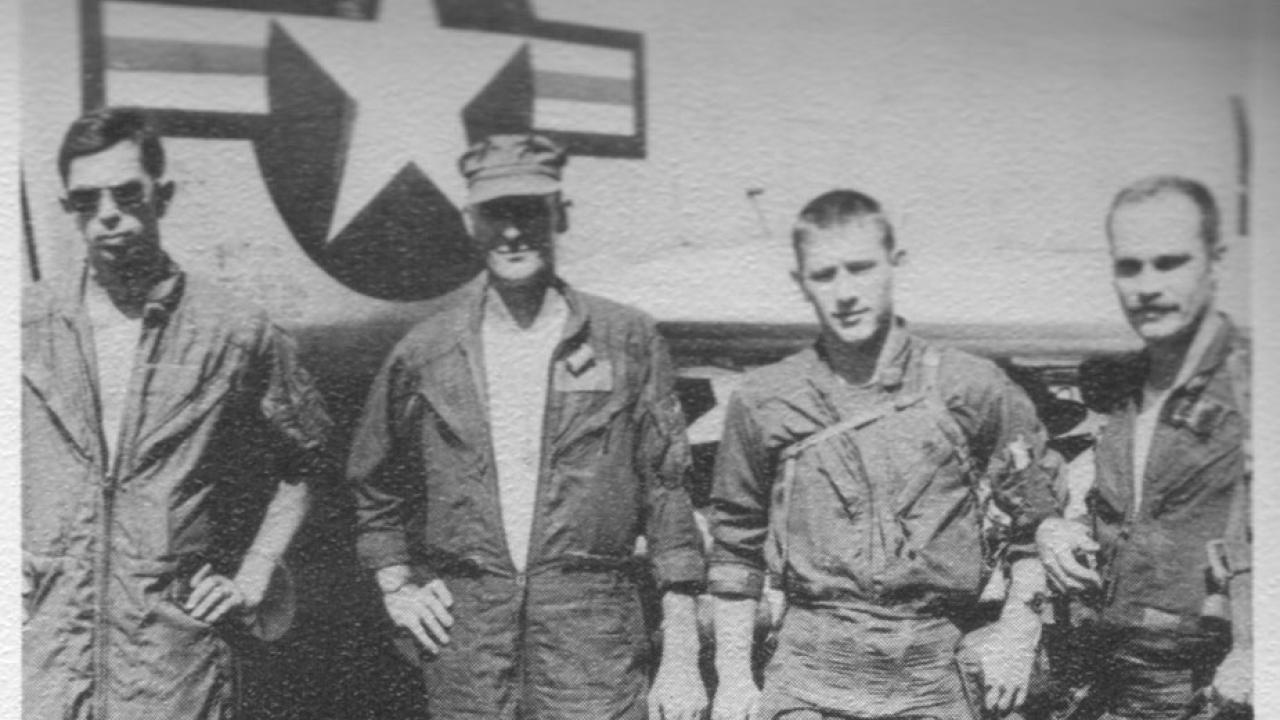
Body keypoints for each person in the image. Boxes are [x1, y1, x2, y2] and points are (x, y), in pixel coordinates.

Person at [348, 133, 707, 720]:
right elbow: (372, 480)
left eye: (527, 211)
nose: (511, 232)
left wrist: (682, 655)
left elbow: (668, 495)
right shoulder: (427, 353)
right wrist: (397, 584)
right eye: (495, 213)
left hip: (593, 638)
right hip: (468, 641)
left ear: (558, 214)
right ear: (471, 222)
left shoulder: (627, 341)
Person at [22, 107, 332, 719]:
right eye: (87, 199)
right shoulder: (26, 325)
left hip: (170, 653)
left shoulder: (232, 332)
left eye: (126, 193)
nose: (108, 213)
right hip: (47, 643)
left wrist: (255, 572)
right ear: (69, 209)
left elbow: (309, 462)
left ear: (160, 196)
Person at [708, 189, 1061, 720]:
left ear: (896, 265)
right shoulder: (765, 399)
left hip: (930, 673)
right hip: (810, 670)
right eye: (825, 275)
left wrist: (1019, 631)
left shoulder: (971, 387)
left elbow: (1034, 518)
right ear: (799, 282)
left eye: (861, 269)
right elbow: (735, 546)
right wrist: (734, 679)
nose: (845, 292)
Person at [1036, 176, 1251, 719]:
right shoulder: (1129, 393)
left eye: (1170, 262)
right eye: (1129, 266)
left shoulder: (1251, 384)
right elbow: (1133, 515)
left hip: (1216, 685)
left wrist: (1257, 646)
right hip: (1119, 672)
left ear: (1216, 262)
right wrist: (1063, 530)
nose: (1147, 285)